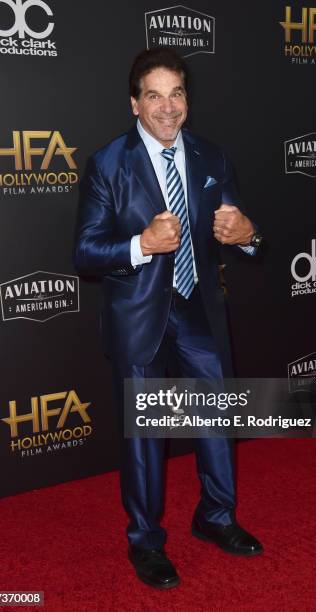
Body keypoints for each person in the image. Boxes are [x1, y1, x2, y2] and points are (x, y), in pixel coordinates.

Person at [74, 48, 263, 589]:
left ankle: (216, 517)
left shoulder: (211, 158)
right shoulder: (107, 164)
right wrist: (141, 243)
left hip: (198, 308)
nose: (166, 107)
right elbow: (85, 253)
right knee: (146, 436)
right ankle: (145, 541)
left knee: (216, 419)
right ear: (135, 104)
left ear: (186, 99)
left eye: (175, 93)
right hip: (139, 315)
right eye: (153, 95)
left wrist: (249, 238)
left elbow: (238, 231)